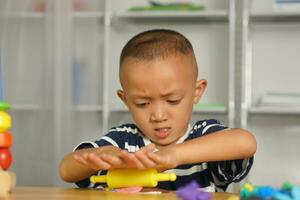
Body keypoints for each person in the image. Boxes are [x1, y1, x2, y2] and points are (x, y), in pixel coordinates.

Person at [59, 29, 257, 191]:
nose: (158, 116)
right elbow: (66, 170)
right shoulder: (124, 141)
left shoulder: (202, 138)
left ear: (197, 92)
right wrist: (103, 156)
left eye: (172, 100)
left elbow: (245, 141)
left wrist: (174, 155)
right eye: (143, 104)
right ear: (125, 100)